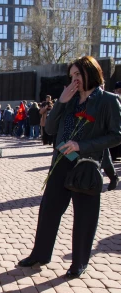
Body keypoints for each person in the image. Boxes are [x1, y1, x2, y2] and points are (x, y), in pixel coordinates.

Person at [18, 56, 121, 279]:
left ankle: (79, 262)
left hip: (86, 165)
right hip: (61, 163)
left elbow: (116, 136)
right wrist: (62, 102)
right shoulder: (69, 99)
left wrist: (82, 146)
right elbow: (52, 129)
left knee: (84, 216)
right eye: (71, 75)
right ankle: (40, 254)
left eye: (78, 75)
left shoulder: (108, 101)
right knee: (48, 211)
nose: (74, 80)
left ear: (91, 73)